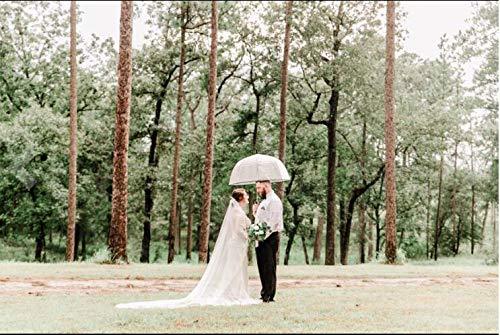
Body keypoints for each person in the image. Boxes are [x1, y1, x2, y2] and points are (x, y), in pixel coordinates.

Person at [115, 188, 261, 309]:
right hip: (236, 246)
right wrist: (249, 235)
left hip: (237, 247)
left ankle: (235, 291)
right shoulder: (237, 213)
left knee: (236, 271)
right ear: (241, 198)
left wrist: (253, 221)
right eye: (246, 196)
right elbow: (238, 232)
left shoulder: (238, 212)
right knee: (234, 270)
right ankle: (233, 293)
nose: (248, 197)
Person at [252, 180, 283, 303]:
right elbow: (261, 219)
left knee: (269, 266)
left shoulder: (274, 201)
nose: (258, 191)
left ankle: (269, 294)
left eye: (259, 188)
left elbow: (273, 222)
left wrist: (262, 236)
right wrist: (255, 212)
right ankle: (264, 292)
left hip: (269, 237)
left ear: (266, 186)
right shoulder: (264, 201)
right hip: (261, 237)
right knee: (262, 265)